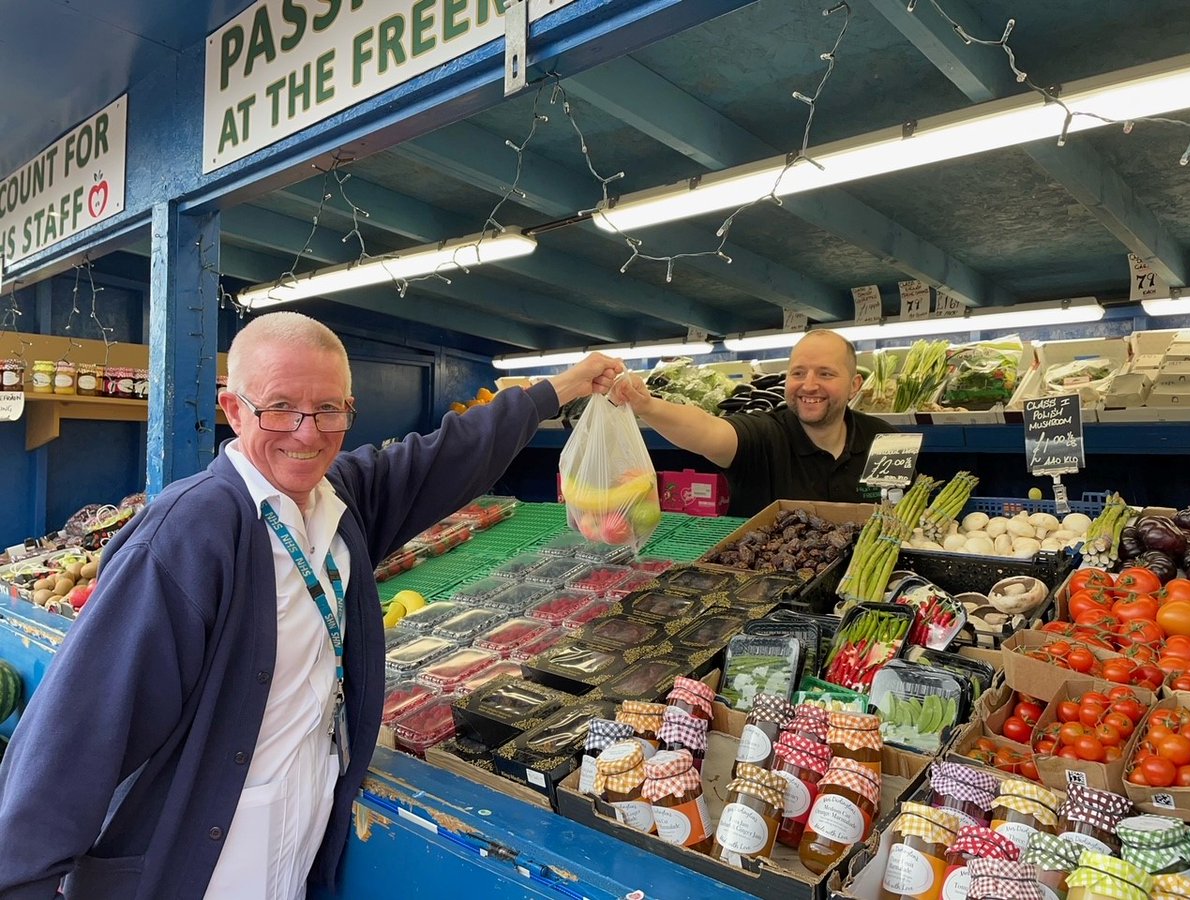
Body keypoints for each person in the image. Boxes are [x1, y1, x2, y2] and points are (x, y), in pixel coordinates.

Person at [0, 311, 623, 900]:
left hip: (291, 857)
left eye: (329, 409)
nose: (308, 433)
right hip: (193, 868)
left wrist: (561, 388)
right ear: (233, 410)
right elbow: (74, 736)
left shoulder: (340, 500)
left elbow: (446, 453)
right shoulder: (189, 537)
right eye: (280, 409)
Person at [609, 329, 895, 516]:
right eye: (798, 373)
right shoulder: (765, 435)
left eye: (825, 374)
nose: (808, 385)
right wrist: (646, 405)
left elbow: (900, 511)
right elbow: (707, 431)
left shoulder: (885, 440)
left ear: (855, 385)